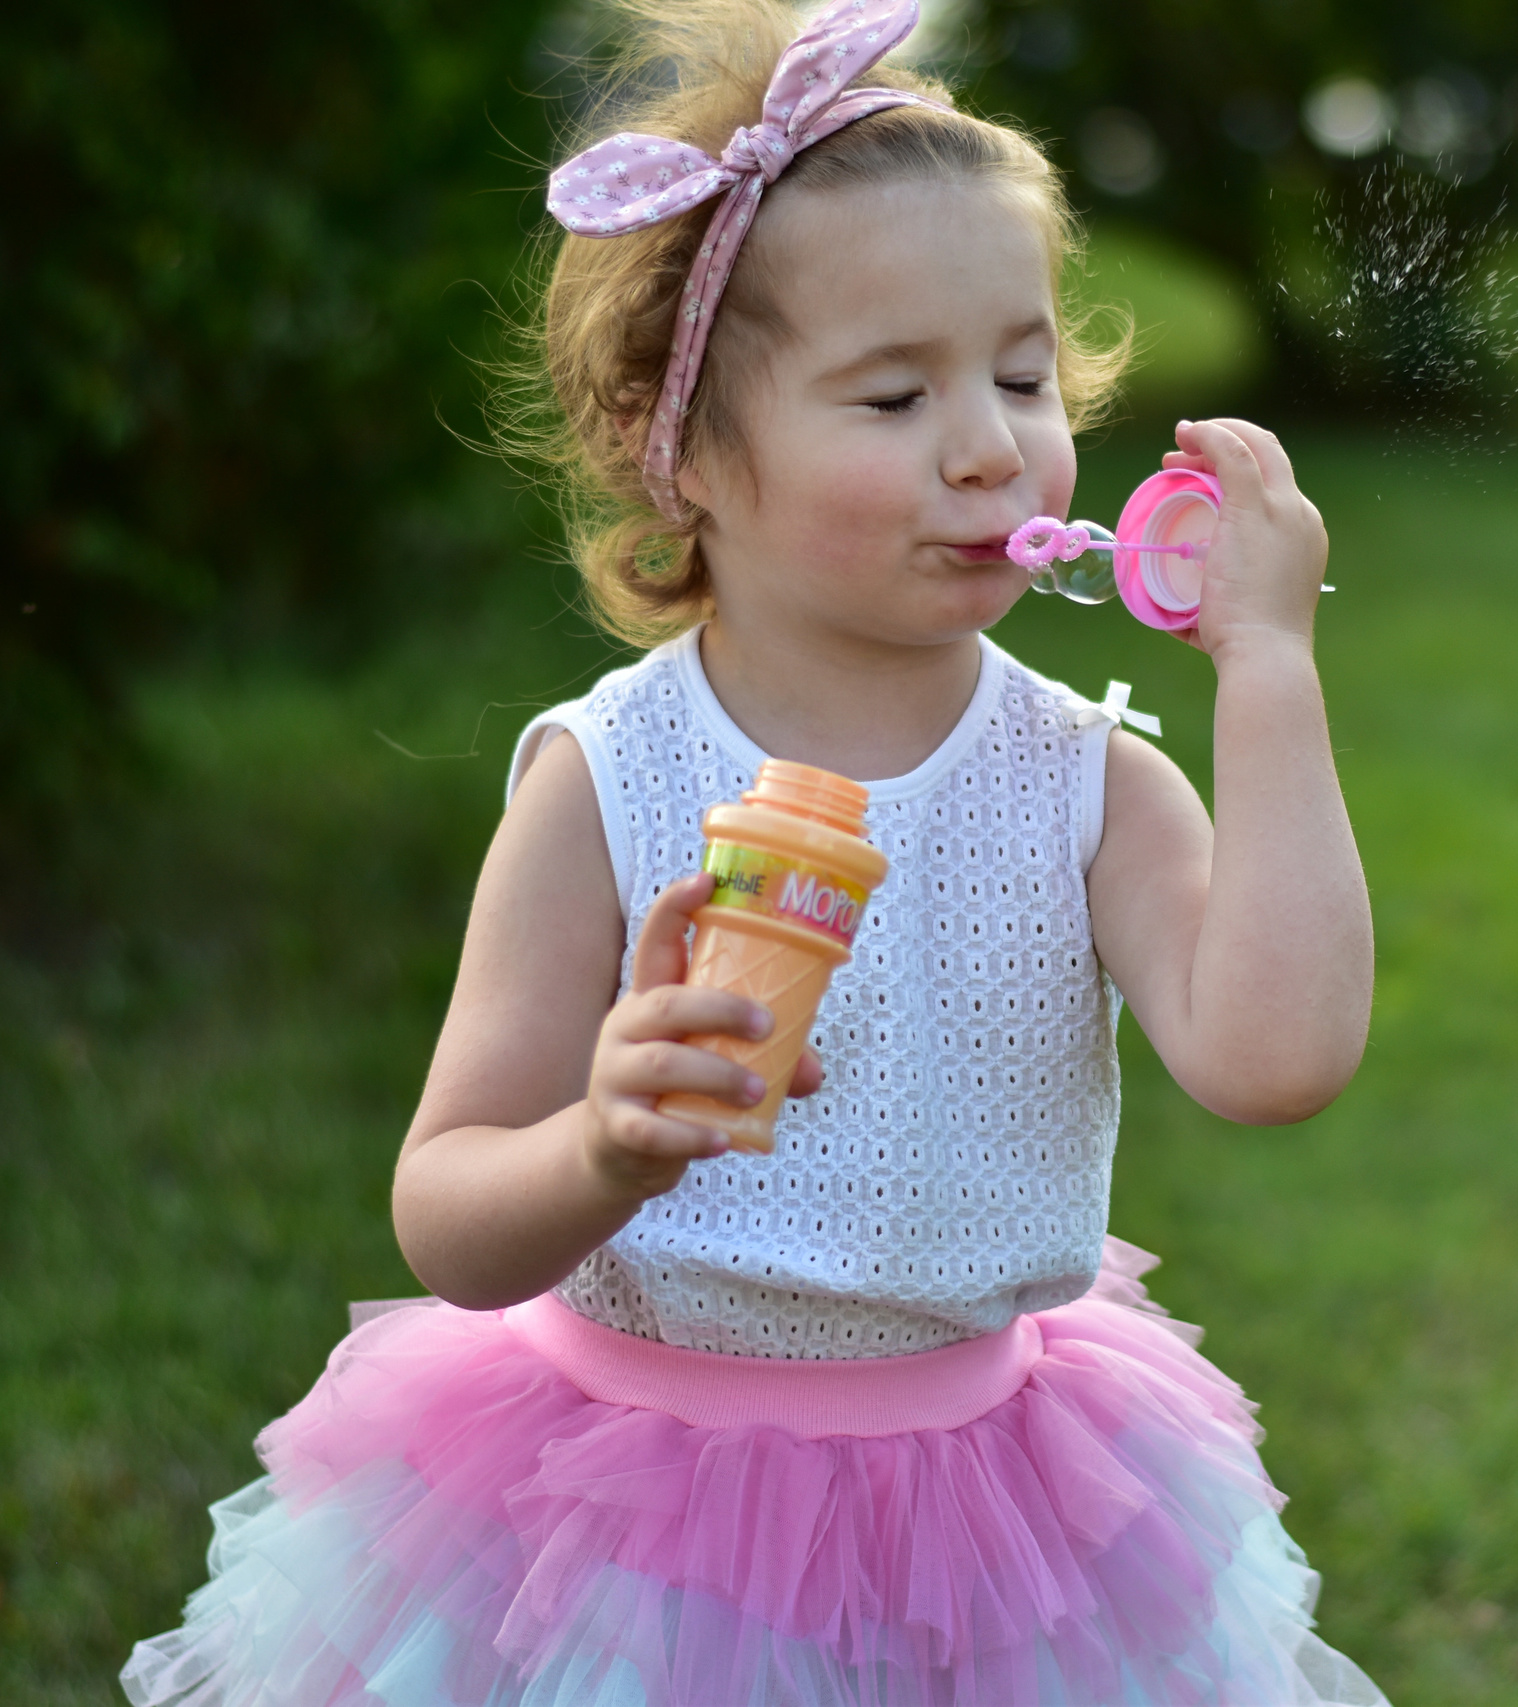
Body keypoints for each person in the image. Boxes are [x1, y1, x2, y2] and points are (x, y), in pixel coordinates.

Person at [121, 1, 1382, 1700]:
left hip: (995, 1530)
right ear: (692, 451)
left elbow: (1280, 1060)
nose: (989, 445)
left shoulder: (1089, 784)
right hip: (630, 1533)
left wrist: (1271, 668)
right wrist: (603, 1149)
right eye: (896, 395)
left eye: (1023, 377)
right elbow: (449, 1216)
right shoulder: (609, 781)